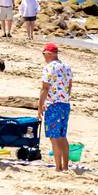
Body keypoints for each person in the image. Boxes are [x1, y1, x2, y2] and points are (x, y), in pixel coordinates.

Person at [37, 43, 73, 171]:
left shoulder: (49, 67)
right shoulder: (66, 66)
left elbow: (45, 88)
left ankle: (58, 167)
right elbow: (69, 86)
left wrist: (40, 106)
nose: (43, 57)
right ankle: (65, 166)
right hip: (65, 104)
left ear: (50, 54)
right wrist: (65, 98)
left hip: (53, 105)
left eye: (44, 54)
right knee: (62, 136)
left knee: (54, 137)